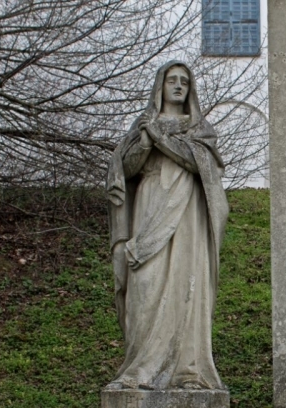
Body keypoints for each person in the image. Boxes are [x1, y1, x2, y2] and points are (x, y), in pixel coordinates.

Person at [105, 60, 229, 391]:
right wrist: (146, 141)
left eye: (184, 82)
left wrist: (158, 138)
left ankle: (187, 372)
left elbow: (197, 163)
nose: (177, 86)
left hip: (187, 211)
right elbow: (126, 170)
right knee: (145, 286)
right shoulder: (143, 124)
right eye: (171, 80)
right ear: (159, 86)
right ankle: (139, 369)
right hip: (149, 204)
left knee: (187, 287)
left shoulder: (199, 128)